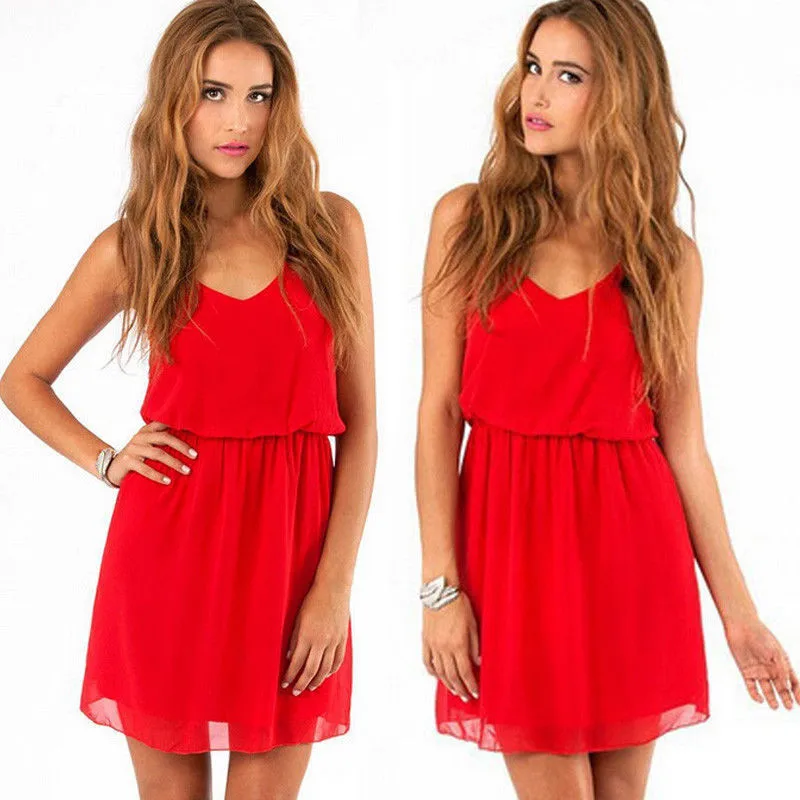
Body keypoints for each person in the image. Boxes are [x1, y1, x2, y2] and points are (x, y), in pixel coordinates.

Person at [414, 1, 799, 797]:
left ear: (620, 94)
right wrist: (440, 588)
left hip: (631, 553)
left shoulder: (665, 259)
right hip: (510, 553)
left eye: (569, 76)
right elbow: (439, 412)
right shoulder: (469, 221)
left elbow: (684, 446)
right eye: (533, 66)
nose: (536, 92)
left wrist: (740, 616)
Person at [0, 1, 376, 797]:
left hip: (293, 564)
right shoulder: (137, 246)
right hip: (168, 559)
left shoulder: (330, 229)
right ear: (175, 101)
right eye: (213, 93)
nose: (238, 121)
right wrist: (106, 460)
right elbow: (22, 379)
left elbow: (363, 424)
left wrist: (334, 587)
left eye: (258, 95)